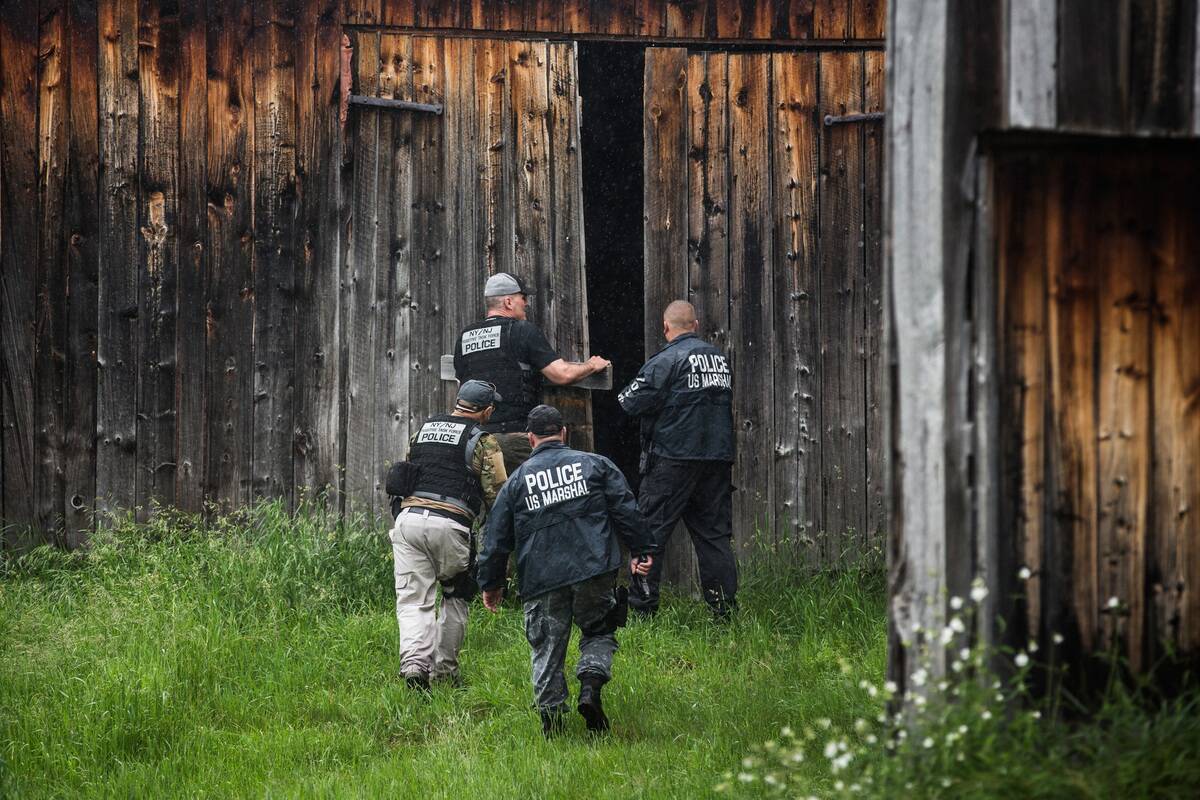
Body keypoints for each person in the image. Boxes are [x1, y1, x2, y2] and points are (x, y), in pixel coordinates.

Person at [477, 404, 656, 736]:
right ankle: (590, 686)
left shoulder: (516, 482)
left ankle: (553, 727)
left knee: (547, 649)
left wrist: (491, 584)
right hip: (594, 569)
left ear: (531, 439)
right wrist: (641, 550)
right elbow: (627, 510)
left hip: (542, 579)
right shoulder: (595, 464)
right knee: (599, 632)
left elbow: (496, 538)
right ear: (563, 433)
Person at [617, 300, 737, 619]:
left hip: (673, 459)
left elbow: (629, 402)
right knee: (714, 538)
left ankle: (643, 610)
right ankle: (724, 612)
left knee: (649, 533)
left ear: (666, 328)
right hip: (716, 459)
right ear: (695, 326)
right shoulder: (720, 360)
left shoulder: (666, 360)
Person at [389, 380, 508, 690]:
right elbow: (499, 497)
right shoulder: (484, 441)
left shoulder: (422, 432)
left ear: (458, 402)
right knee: (456, 596)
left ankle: (415, 664)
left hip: (409, 521)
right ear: (487, 410)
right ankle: (445, 674)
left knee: (415, 599)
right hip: (451, 525)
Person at [454, 272, 610, 473]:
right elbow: (561, 374)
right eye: (523, 298)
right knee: (529, 499)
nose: (526, 303)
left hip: (475, 441)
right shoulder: (523, 331)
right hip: (515, 440)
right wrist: (591, 365)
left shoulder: (465, 337)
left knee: (487, 503)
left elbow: (461, 388)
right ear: (509, 302)